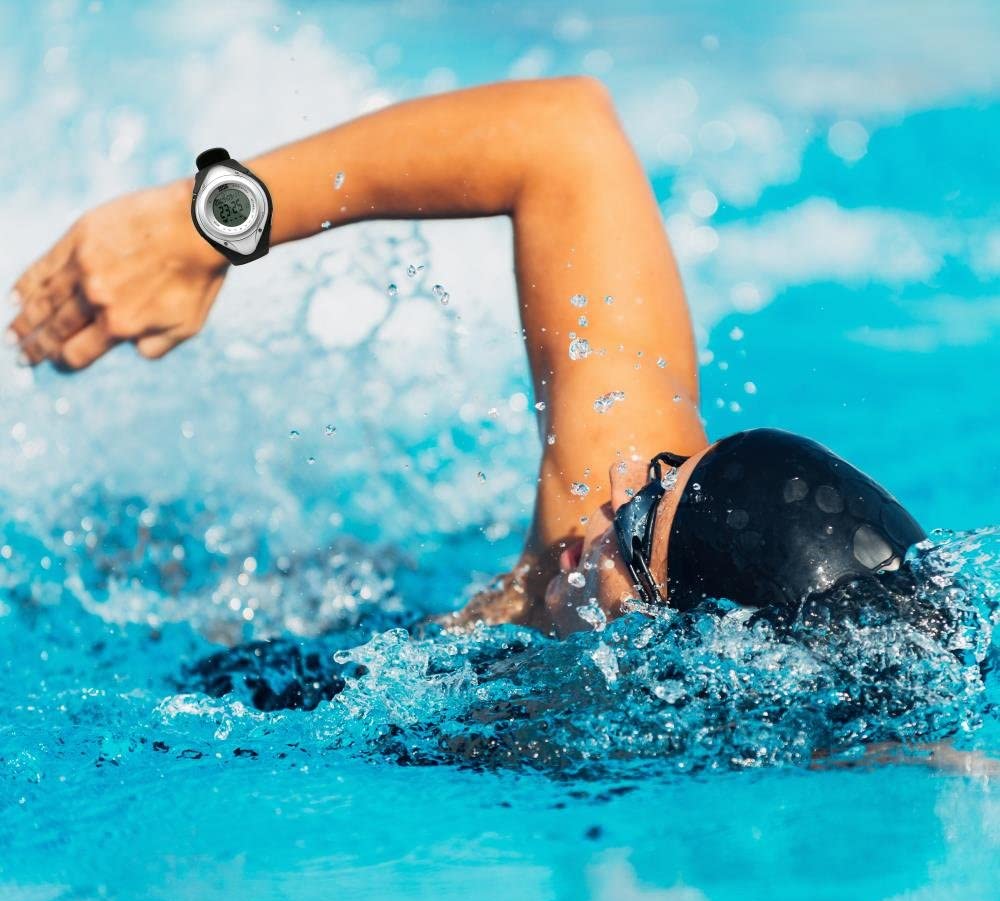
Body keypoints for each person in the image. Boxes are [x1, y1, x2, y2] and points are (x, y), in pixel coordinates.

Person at [8, 77, 925, 637]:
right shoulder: (611, 508)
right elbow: (563, 132)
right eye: (666, 468)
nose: (619, 482)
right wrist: (209, 224)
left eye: (646, 514)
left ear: (691, 636)